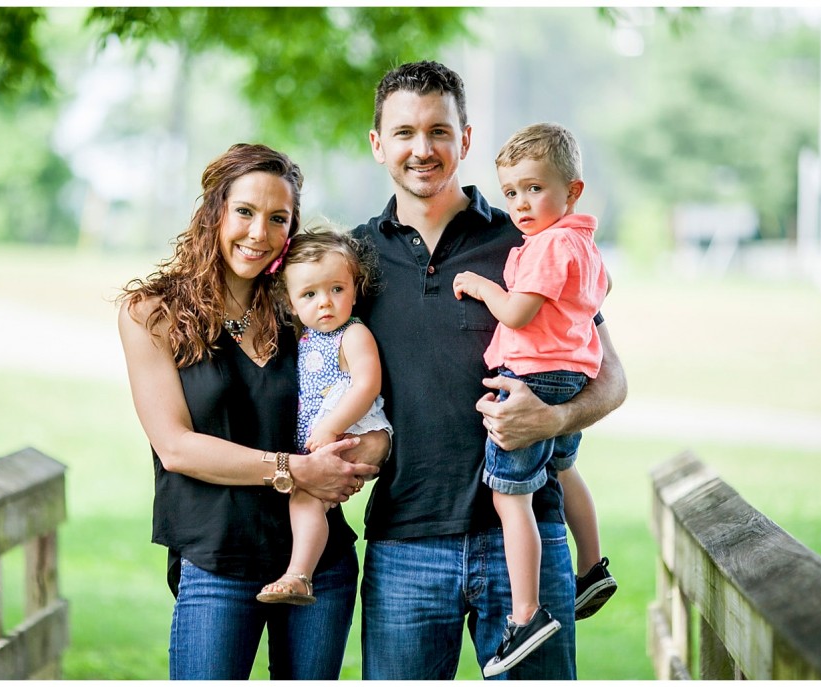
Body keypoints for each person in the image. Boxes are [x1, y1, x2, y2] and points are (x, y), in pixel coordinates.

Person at [351, 61, 627, 680]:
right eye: (403, 133)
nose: (422, 149)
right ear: (378, 145)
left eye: (439, 131)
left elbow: (613, 378)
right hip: (404, 543)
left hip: (529, 534)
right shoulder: (355, 258)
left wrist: (554, 417)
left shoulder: (530, 241)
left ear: (466, 139)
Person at [117, 143, 382, 680]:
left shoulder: (304, 306)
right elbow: (175, 447)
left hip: (316, 565)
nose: (259, 233)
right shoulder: (153, 314)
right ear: (214, 211)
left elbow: (365, 397)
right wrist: (296, 469)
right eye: (245, 212)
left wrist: (366, 454)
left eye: (278, 218)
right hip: (218, 561)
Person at [452, 122, 617, 676]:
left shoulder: (547, 246)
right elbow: (603, 289)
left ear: (572, 191)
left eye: (534, 189)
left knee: (511, 497)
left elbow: (517, 313)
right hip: (570, 372)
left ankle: (525, 614)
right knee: (564, 470)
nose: (521, 204)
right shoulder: (581, 242)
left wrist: (480, 286)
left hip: (534, 376)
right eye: (512, 192)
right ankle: (592, 566)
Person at [257, 228, 393, 605]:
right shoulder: (305, 337)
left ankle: (299, 575)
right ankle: (298, 572)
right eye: (309, 294)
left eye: (337, 289)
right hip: (333, 432)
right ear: (289, 301)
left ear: (355, 286)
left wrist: (331, 427)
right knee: (306, 495)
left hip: (356, 428)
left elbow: (367, 385)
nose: (325, 303)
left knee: (305, 497)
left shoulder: (353, 333)